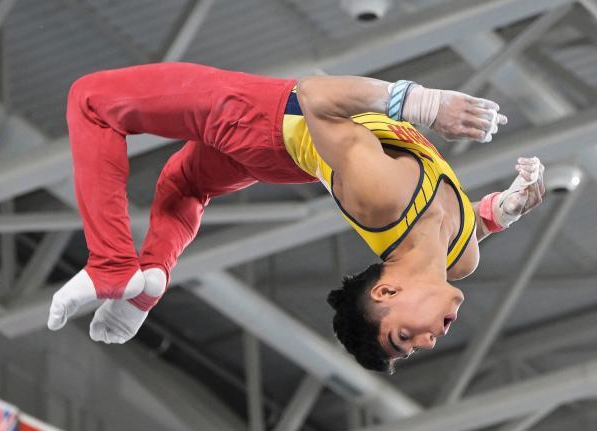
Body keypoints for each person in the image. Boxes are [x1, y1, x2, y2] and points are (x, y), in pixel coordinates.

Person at [47, 63, 544, 373]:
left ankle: (111, 265)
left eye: (403, 338)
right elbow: (464, 221)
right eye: (416, 347)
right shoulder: (462, 258)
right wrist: (504, 209)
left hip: (259, 119)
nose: (429, 340)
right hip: (283, 161)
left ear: (386, 292)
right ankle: (152, 277)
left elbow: (314, 96)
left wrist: (424, 103)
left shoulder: (382, 197)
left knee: (92, 102)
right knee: (185, 185)